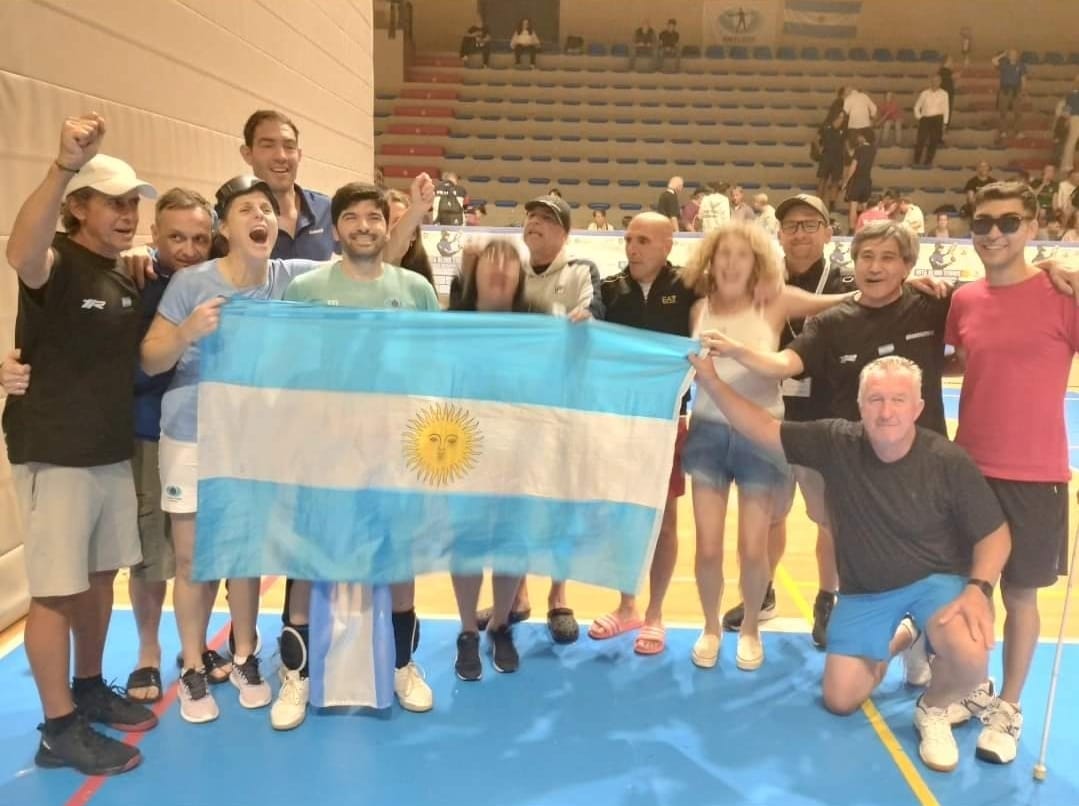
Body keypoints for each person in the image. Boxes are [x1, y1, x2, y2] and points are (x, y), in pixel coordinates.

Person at [687, 352, 1011, 774]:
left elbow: (995, 535)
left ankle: (932, 708)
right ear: (860, 407)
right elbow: (762, 428)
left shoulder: (947, 460)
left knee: (970, 659)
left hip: (935, 582)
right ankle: (907, 637)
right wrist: (709, 380)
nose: (887, 410)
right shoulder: (837, 442)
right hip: (868, 591)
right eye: (875, 399)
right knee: (840, 700)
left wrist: (978, 590)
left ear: (919, 407)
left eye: (899, 400)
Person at [3, 188, 221, 705]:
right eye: (175, 238)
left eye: (199, 238)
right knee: (143, 559)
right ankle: (143, 656)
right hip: (131, 436)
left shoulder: (208, 281)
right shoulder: (130, 276)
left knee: (190, 557)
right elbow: (53, 327)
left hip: (180, 438)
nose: (188, 249)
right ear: (156, 237)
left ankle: (182, 653)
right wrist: (12, 366)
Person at [3, 114, 159, 776]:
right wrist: (64, 162)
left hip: (107, 451)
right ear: (78, 209)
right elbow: (21, 251)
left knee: (99, 579)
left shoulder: (121, 272)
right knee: (55, 591)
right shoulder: (55, 264)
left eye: (132, 203)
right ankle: (58, 728)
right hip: (56, 453)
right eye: (113, 202)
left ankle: (90, 687)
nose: (127, 214)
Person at [140, 176, 322, 724]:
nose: (259, 215)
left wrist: (409, 215)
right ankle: (193, 663)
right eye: (247, 208)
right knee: (194, 558)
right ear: (225, 227)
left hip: (253, 440)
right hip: (191, 433)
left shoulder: (291, 278)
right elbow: (151, 360)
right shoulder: (191, 284)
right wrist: (186, 332)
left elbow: (364, 264)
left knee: (245, 551)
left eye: (267, 208)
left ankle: (246, 655)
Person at [270, 182, 440, 729]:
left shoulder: (414, 289)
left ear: (387, 226)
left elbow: (435, 361)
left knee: (397, 558)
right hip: (324, 444)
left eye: (374, 217)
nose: (364, 226)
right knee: (309, 554)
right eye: (352, 217)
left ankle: (402, 666)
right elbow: (288, 364)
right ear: (336, 227)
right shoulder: (307, 287)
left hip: (394, 445)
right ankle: (296, 677)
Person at [944, 181, 1079, 765]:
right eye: (982, 223)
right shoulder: (964, 300)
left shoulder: (1063, 295)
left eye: (1007, 221)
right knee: (965, 593)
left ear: (1032, 226)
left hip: (1036, 475)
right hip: (967, 472)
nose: (993, 232)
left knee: (1020, 595)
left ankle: (1010, 705)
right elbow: (953, 358)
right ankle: (969, 686)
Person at [679, 222, 852, 671]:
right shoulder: (697, 308)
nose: (732, 262)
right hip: (708, 434)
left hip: (762, 434)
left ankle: (752, 625)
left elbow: (850, 301)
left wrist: (914, 283)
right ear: (710, 262)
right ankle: (710, 627)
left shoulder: (777, 301)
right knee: (708, 547)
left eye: (742, 255)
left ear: (757, 262)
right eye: (724, 254)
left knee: (753, 548)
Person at [719, 194, 850, 647]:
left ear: (829, 232)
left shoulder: (849, 282)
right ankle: (765, 593)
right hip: (768, 420)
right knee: (770, 517)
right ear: (779, 233)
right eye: (791, 225)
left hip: (827, 423)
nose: (800, 233)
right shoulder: (759, 285)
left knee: (828, 520)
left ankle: (828, 599)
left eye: (811, 224)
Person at [586, 213, 697, 655]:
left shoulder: (691, 287)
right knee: (623, 516)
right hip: (618, 421)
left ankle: (655, 613)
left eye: (644, 240)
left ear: (668, 245)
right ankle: (626, 604)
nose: (633, 248)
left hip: (669, 422)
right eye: (629, 239)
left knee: (665, 521)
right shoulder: (611, 291)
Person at [448, 238, 545, 680]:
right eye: (492, 260)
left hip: (519, 450)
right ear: (475, 271)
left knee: (512, 542)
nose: (501, 269)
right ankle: (468, 630)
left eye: (511, 262)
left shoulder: (541, 324)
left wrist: (581, 332)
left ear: (521, 277)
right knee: (467, 544)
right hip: (462, 449)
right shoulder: (450, 324)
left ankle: (501, 625)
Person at [240, 110, 335, 261]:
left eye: (289, 147)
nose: (281, 156)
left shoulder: (326, 210)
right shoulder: (232, 220)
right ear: (247, 154)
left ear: (299, 155)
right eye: (268, 146)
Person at [386, 188, 435, 287]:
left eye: (400, 222)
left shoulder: (421, 284)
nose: (391, 230)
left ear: (414, 234)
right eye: (385, 221)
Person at [913, 73, 950, 166]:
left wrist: (945, 123)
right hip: (925, 119)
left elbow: (946, 109)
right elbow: (916, 107)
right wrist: (919, 117)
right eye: (933, 81)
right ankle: (916, 161)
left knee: (933, 141)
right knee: (920, 140)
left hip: (937, 119)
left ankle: (928, 162)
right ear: (931, 81)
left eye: (937, 81)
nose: (935, 83)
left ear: (940, 82)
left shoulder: (944, 94)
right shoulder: (924, 93)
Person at [991, 48, 1028, 141]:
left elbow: (1023, 79)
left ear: (1017, 56)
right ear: (1008, 55)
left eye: (1015, 54)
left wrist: (1023, 90)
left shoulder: (1021, 65)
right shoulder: (1004, 64)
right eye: (1011, 54)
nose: (1013, 56)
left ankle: (1018, 132)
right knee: (1003, 112)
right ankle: (1003, 131)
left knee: (1018, 113)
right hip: (1005, 90)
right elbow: (993, 61)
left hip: (1016, 91)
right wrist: (1003, 54)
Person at [843, 132, 876, 233]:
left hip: (857, 180)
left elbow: (853, 165)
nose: (858, 138)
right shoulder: (873, 150)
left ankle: (852, 230)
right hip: (867, 180)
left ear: (864, 137)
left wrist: (846, 181)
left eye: (859, 136)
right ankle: (867, 228)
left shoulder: (859, 149)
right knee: (865, 205)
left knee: (853, 205)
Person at [816, 114, 846, 211]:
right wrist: (819, 149)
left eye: (842, 118)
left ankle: (832, 204)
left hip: (838, 159)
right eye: (839, 118)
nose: (841, 120)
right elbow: (816, 139)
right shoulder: (826, 127)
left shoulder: (844, 130)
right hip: (827, 157)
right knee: (822, 180)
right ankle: (817, 202)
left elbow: (847, 144)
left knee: (835, 182)